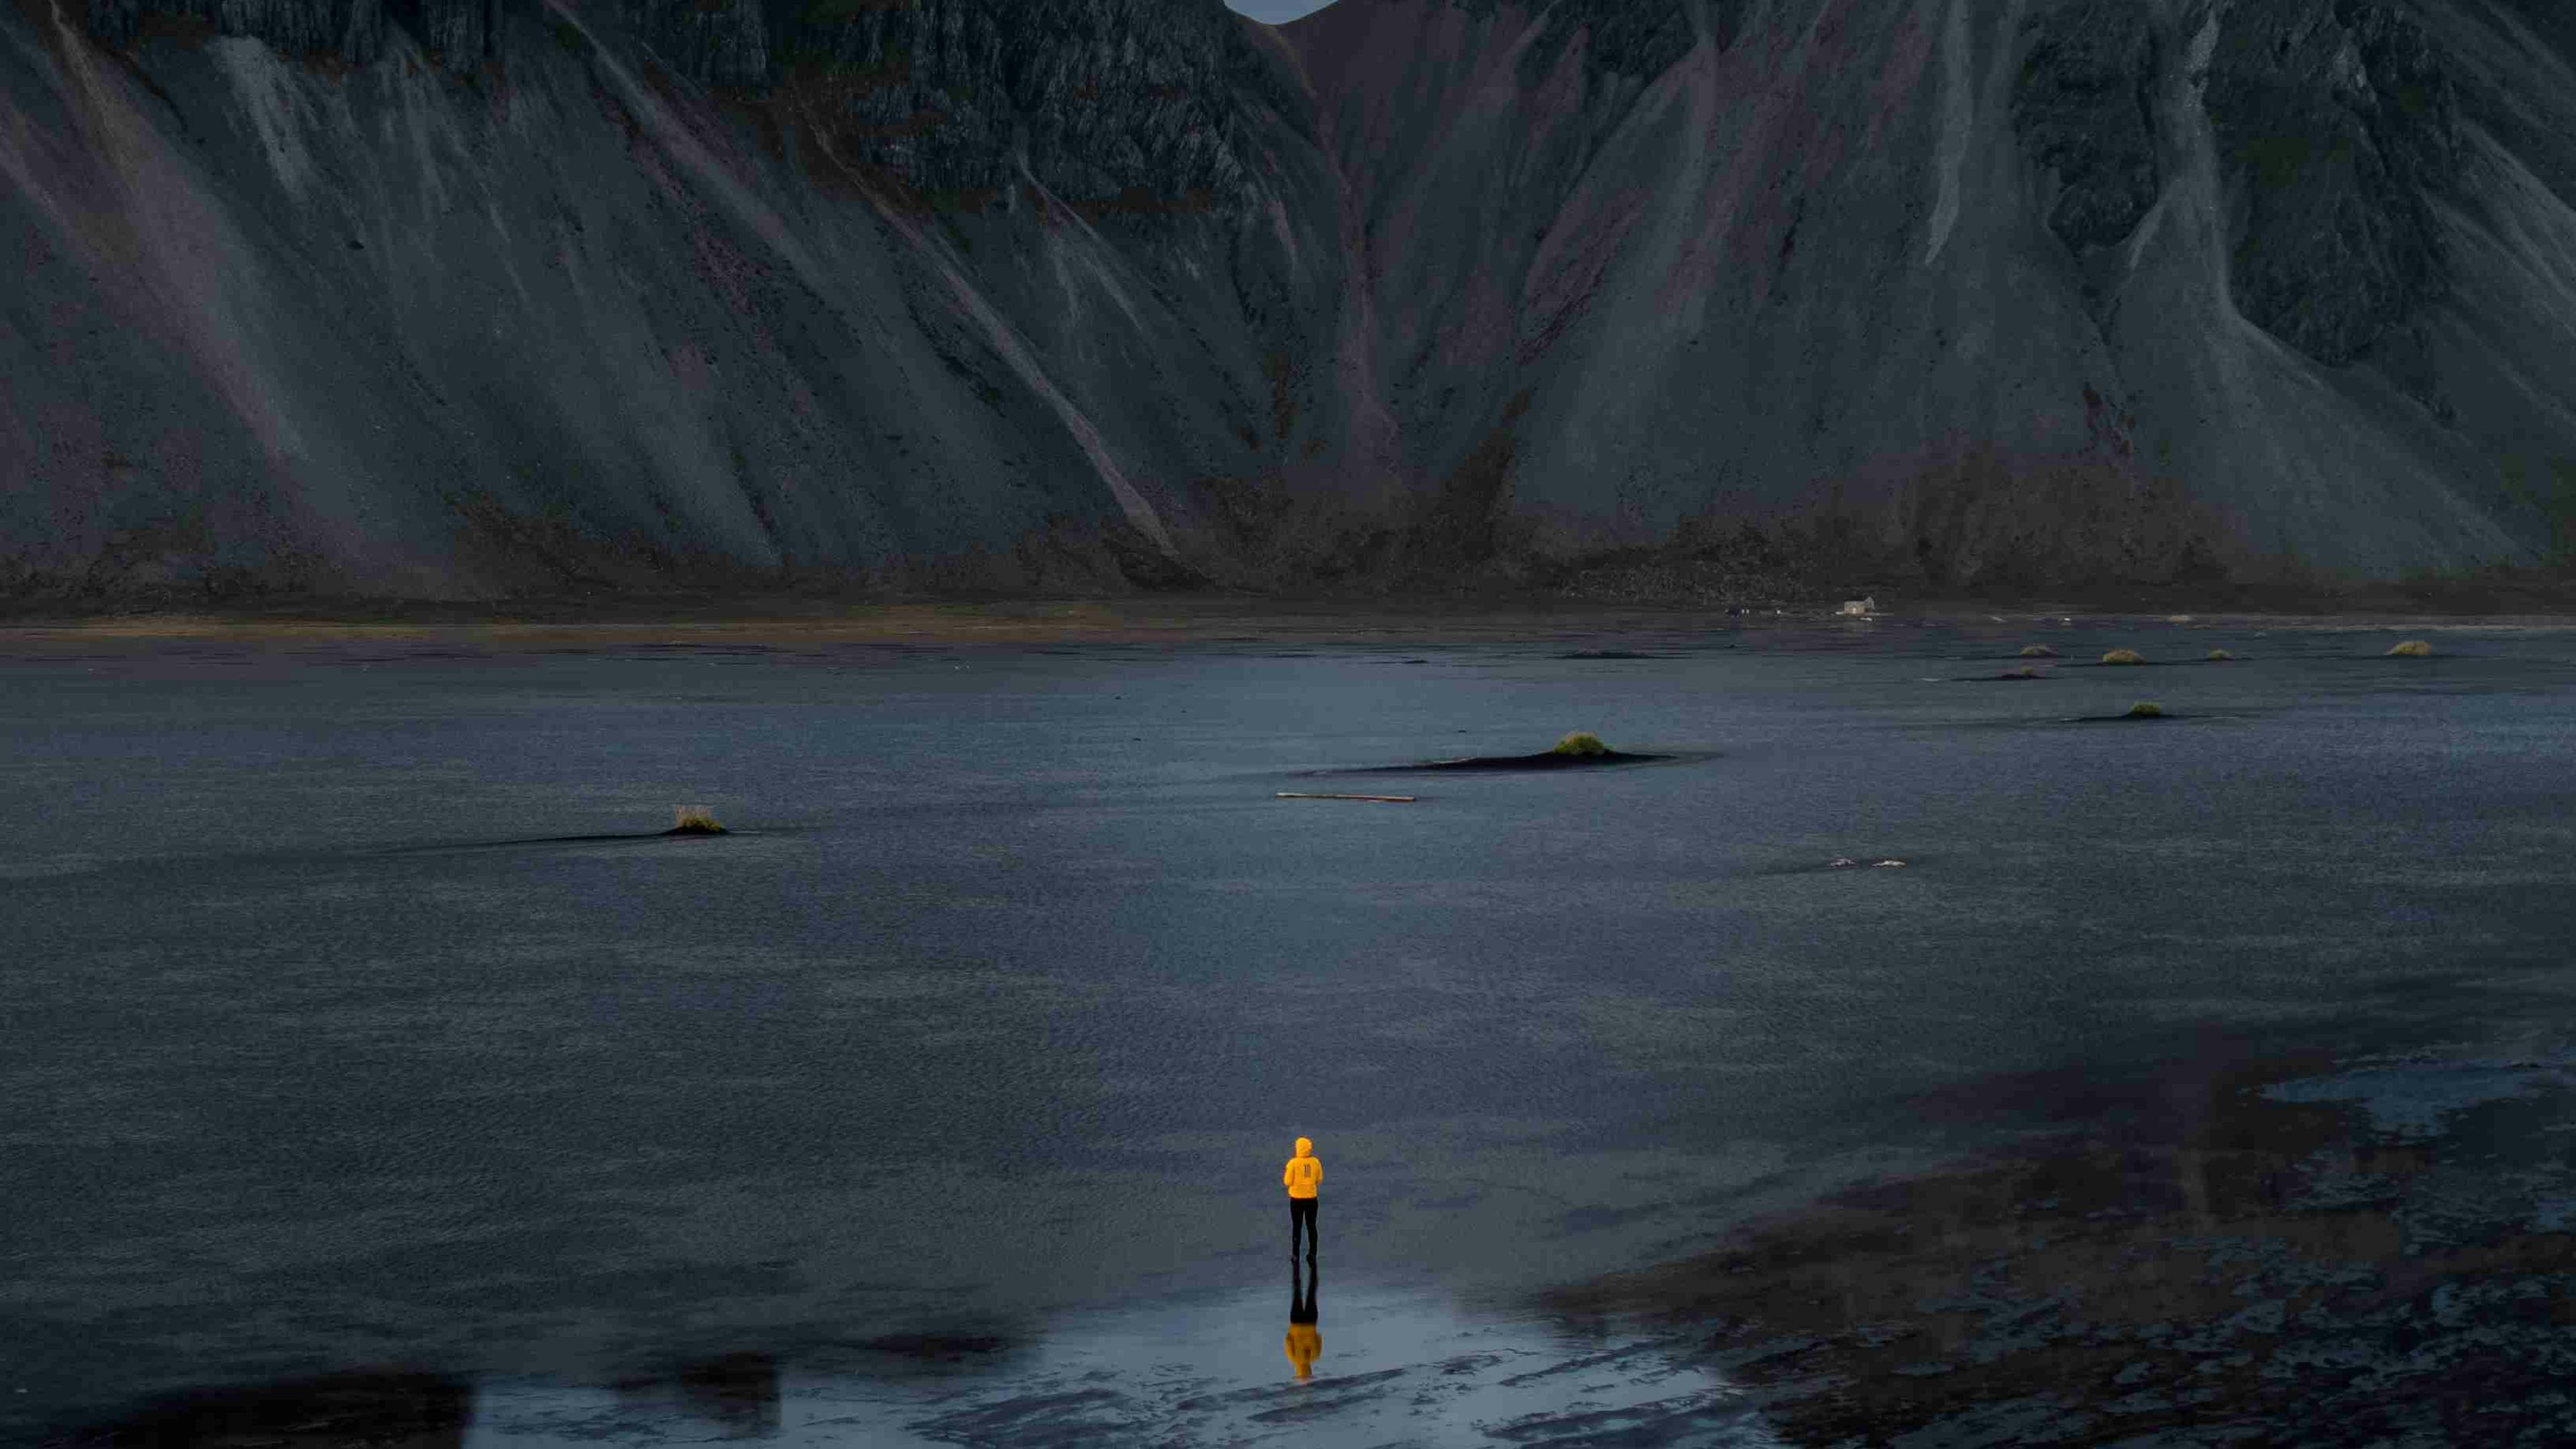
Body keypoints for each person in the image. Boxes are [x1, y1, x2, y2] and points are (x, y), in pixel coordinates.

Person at [1283, 1136, 1321, 1260]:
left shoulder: (1293, 1163)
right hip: (1311, 1199)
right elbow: (1319, 1180)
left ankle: (1295, 1254)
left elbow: (1287, 1181)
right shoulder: (1315, 1162)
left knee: (1297, 1227)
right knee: (1312, 1226)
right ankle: (1313, 1253)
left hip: (1296, 1200)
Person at [1284, 1258, 1320, 1381]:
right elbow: (1288, 1341)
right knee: (1296, 1291)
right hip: (1297, 1323)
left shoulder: (1314, 1357)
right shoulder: (1292, 1358)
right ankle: (1296, 1264)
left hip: (1310, 1323)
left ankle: (1313, 1265)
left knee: (1312, 1292)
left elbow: (1319, 1339)